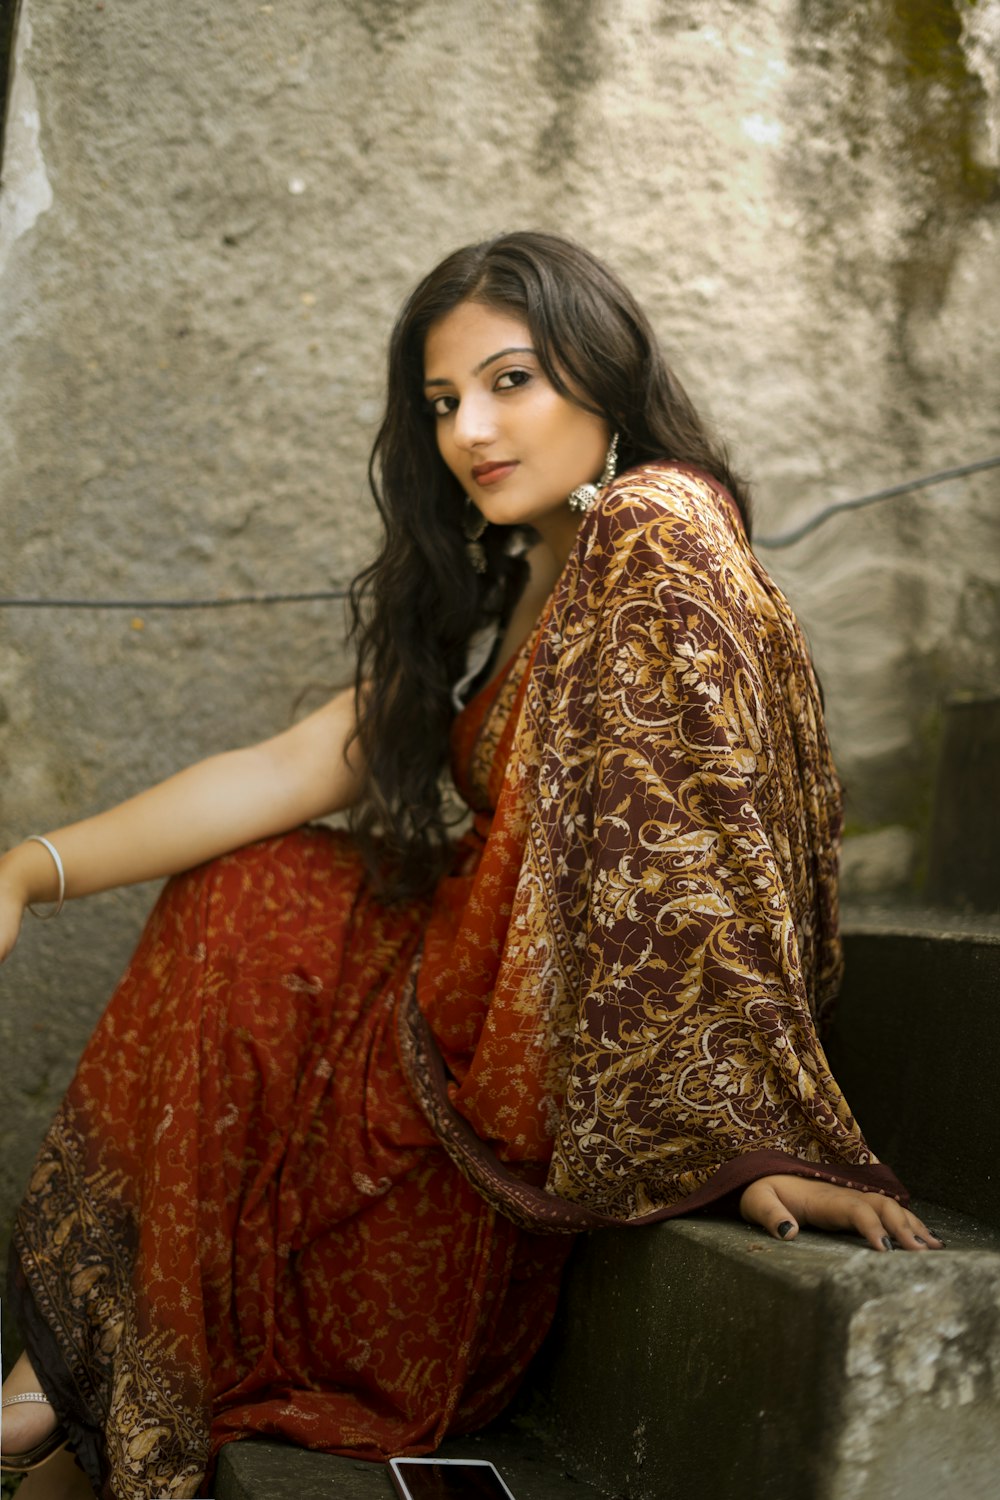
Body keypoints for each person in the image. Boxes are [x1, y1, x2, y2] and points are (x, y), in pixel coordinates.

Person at [0, 232, 941, 1500]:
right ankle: (66, 1405)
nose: (469, 430)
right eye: (444, 402)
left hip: (541, 1038)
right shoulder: (532, 562)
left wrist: (750, 1127)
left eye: (512, 382)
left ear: (603, 376)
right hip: (474, 985)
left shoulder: (657, 529)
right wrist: (27, 869)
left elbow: (697, 836)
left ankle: (56, 1408)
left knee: (264, 902)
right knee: (253, 883)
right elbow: (297, 764)